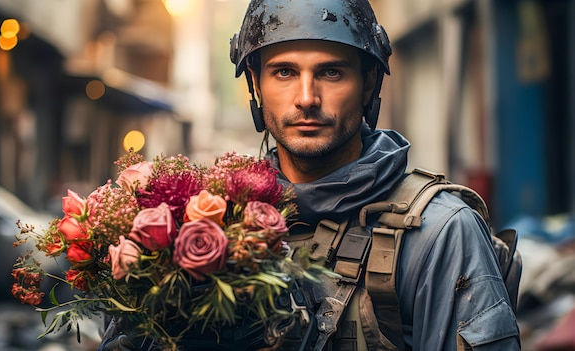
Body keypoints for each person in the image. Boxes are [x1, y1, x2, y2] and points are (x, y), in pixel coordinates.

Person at [100, 0, 521, 350]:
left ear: (369, 83)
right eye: (284, 72)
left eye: (331, 72)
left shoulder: (438, 231)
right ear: (256, 85)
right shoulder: (210, 221)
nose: (306, 98)